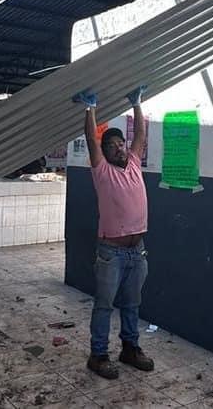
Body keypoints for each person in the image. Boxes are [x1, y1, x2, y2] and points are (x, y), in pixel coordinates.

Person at [72, 84, 154, 380]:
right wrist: (89, 108)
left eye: (120, 143)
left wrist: (137, 104)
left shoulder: (133, 163)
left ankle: (130, 349)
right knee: (105, 305)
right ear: (105, 154)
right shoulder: (102, 171)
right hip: (111, 253)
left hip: (137, 250)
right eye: (112, 146)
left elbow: (141, 136)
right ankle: (98, 355)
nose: (119, 148)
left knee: (132, 303)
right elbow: (91, 142)